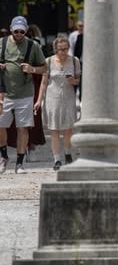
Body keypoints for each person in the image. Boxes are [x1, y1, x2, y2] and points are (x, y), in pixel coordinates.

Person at [0, 16, 48, 174]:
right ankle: (4, 156)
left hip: (25, 94)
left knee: (22, 128)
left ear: (26, 30)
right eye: (16, 31)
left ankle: (19, 163)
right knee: (1, 126)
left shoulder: (33, 45)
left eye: (22, 31)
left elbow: (44, 68)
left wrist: (32, 69)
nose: (19, 34)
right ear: (11, 29)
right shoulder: (2, 43)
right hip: (4, 93)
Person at [36, 35, 80, 170]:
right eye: (61, 49)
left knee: (68, 129)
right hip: (52, 99)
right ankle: (57, 160)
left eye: (66, 49)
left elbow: (78, 80)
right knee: (54, 130)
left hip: (68, 98)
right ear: (55, 49)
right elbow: (44, 83)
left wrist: (73, 81)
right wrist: (39, 101)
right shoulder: (48, 61)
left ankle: (68, 154)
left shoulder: (74, 61)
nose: (64, 52)